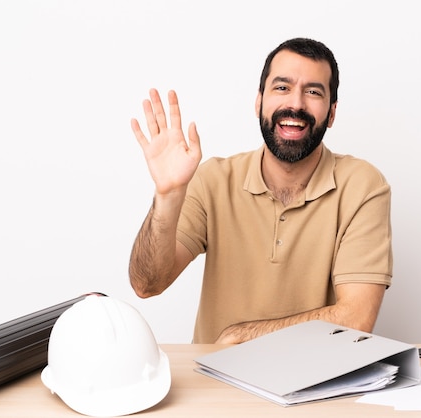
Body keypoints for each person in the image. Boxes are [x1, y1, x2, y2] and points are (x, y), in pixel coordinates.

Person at [129, 38, 392, 344]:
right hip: (218, 383)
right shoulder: (215, 179)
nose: (295, 104)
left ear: (331, 113)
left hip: (316, 384)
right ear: (259, 102)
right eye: (282, 87)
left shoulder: (362, 186)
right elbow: (147, 284)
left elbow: (357, 318)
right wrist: (168, 196)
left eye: (313, 92)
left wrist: (246, 335)